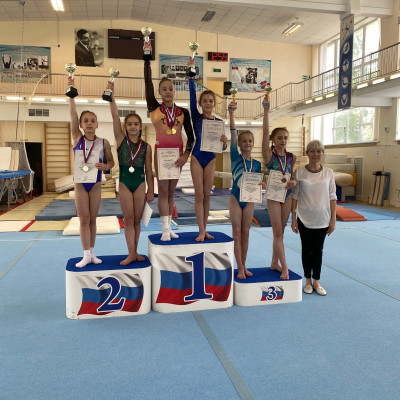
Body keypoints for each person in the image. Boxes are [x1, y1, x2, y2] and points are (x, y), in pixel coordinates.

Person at [144, 55, 195, 241]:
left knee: (172, 192)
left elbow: (191, 137)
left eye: (170, 89)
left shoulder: (183, 112)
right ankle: (165, 228)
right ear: (159, 92)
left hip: (177, 156)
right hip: (161, 154)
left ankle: (169, 227)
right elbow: (147, 83)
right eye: (164, 89)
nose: (167, 92)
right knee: (163, 192)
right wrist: (147, 61)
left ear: (175, 91)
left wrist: (186, 154)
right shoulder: (154, 108)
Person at [106, 81, 154, 265]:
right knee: (128, 218)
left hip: (140, 183)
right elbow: (114, 116)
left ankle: (135, 252)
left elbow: (148, 170)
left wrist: (151, 190)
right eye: (130, 124)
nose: (133, 127)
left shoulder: (146, 147)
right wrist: (112, 95)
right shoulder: (120, 140)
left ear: (141, 126)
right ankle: (131, 253)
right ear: (125, 127)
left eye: (136, 124)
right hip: (125, 183)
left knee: (137, 219)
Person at [69, 76, 114, 267]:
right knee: (84, 219)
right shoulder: (77, 138)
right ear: (80, 124)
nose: (89, 123)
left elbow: (111, 162)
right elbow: (72, 114)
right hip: (80, 184)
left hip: (95, 184)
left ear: (97, 124)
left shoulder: (104, 142)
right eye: (85, 120)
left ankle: (93, 254)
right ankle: (85, 254)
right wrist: (71, 94)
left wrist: (107, 166)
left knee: (93, 219)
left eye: (92, 120)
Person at [187, 57, 227, 241]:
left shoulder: (219, 122)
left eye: (211, 101)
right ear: (201, 103)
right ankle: (200, 230)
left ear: (214, 103)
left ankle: (205, 229)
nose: (208, 103)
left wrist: (224, 142)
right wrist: (191, 77)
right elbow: (192, 97)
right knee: (199, 195)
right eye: (205, 101)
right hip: (197, 156)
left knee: (207, 196)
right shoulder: (196, 117)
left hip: (210, 158)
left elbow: (222, 147)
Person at [291, 140, 336, 296]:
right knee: (306, 250)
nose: (316, 154)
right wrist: (293, 218)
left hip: (322, 218)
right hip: (304, 217)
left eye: (319, 151)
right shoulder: (299, 172)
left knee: (318, 251)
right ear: (307, 153)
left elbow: (332, 197)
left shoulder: (329, 173)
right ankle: (308, 281)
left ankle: (316, 281)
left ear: (322, 153)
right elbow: (295, 196)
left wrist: (333, 219)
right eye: (312, 151)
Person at [262, 101, 296, 280]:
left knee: (281, 232)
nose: (283, 141)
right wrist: (266, 111)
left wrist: (293, 181)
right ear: (273, 140)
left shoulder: (292, 157)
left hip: (287, 195)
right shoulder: (269, 155)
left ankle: (274, 262)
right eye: (280, 138)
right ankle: (285, 267)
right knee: (277, 232)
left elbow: (291, 175)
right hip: (274, 195)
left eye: (285, 138)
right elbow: (265, 133)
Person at [229, 101, 263, 279]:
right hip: (236, 198)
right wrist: (231, 114)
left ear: (253, 143)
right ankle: (240, 267)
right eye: (244, 141)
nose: (247, 143)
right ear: (240, 144)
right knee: (236, 232)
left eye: (250, 141)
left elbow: (257, 182)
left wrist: (262, 185)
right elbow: (233, 134)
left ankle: (244, 263)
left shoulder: (257, 164)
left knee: (246, 233)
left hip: (249, 200)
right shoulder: (235, 157)